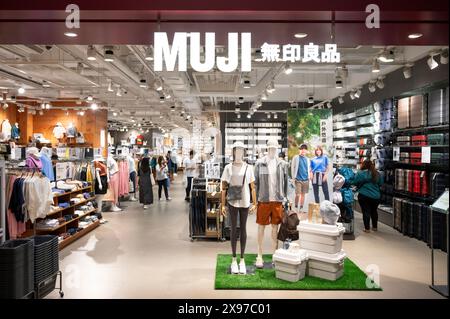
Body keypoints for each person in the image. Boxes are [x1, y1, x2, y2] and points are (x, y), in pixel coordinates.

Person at [352, 159, 383, 233]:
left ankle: (367, 228)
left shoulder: (361, 173)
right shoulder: (377, 173)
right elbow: (380, 183)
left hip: (364, 195)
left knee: (366, 211)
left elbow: (355, 182)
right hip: (376, 196)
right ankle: (375, 227)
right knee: (374, 211)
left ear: (363, 165)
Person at [290, 144, 310, 211]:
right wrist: (293, 178)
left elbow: (309, 169)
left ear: (306, 151)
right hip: (298, 179)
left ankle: (301, 207)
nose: (303, 150)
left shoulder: (307, 159)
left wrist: (309, 177)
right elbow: (292, 167)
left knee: (303, 195)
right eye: (302, 149)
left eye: (304, 149)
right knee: (298, 194)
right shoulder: (296, 157)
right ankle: (295, 206)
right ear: (299, 150)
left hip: (306, 180)